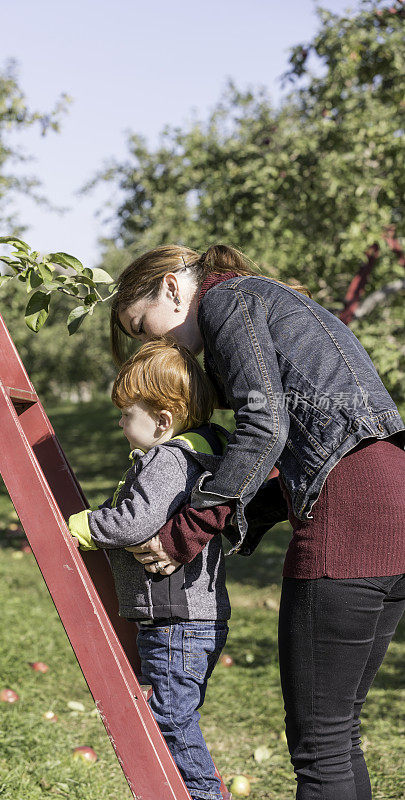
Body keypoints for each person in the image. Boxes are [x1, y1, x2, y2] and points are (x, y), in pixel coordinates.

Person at [110, 243, 405, 800]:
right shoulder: (266, 300)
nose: (152, 342)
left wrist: (187, 532)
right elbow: (304, 436)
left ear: (172, 287)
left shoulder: (226, 303)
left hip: (350, 519)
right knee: (339, 739)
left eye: (141, 325)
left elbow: (263, 429)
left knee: (321, 748)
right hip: (393, 503)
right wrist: (239, 521)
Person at [67, 337, 234, 800]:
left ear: (162, 421)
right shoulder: (202, 453)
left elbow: (135, 520)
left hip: (175, 622)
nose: (120, 423)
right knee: (174, 716)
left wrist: (84, 526)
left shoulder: (167, 459)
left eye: (127, 414)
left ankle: (203, 796)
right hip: (192, 620)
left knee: (170, 722)